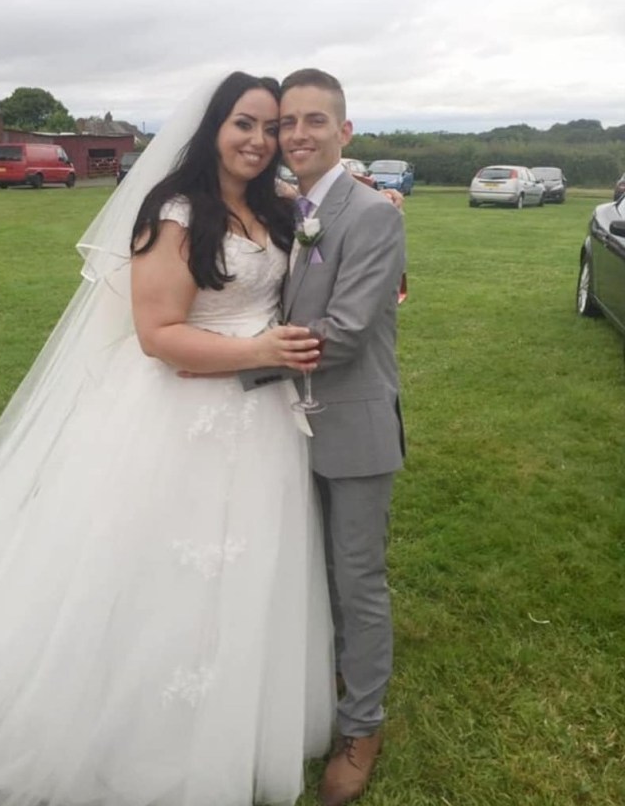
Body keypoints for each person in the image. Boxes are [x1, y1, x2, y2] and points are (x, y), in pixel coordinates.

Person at [0, 72, 335, 806]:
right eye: (243, 124)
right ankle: (129, 722)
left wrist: (377, 200)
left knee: (246, 565)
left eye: (271, 127)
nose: (259, 140)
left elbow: (332, 218)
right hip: (178, 419)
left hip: (262, 424)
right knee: (157, 570)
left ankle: (235, 713)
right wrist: (260, 353)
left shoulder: (277, 208)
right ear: (212, 129)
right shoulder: (178, 213)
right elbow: (157, 336)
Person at [242, 69, 406, 806]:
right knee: (303, 569)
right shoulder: (284, 207)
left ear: (345, 130)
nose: (297, 135)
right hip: (283, 427)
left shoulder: (373, 213)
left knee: (356, 578)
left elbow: (341, 333)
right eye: (286, 124)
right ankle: (320, 679)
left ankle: (362, 723)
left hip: (354, 424)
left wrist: (232, 369)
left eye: (315, 121)